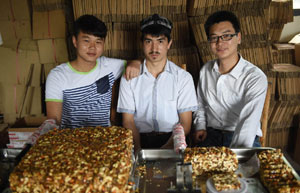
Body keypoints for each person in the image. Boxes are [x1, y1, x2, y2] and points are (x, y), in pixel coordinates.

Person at [117, 14, 198, 154]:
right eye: (149, 41)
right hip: (138, 139)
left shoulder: (183, 77)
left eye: (160, 41)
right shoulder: (129, 77)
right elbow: (128, 122)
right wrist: (138, 151)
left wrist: (164, 151)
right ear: (142, 43)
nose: (154, 48)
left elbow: (185, 124)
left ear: (169, 43)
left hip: (173, 140)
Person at [45, 14, 140, 129]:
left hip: (105, 139)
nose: (92, 47)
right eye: (86, 40)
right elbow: (54, 120)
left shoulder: (109, 66)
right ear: (75, 41)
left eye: (98, 42)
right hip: (71, 140)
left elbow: (136, 64)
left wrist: (136, 63)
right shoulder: (58, 76)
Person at [193, 10, 268, 148]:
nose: (220, 43)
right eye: (214, 37)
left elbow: (248, 123)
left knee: (247, 169)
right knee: (190, 168)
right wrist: (200, 126)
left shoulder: (254, 77)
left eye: (226, 36)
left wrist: (234, 155)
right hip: (211, 135)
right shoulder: (206, 71)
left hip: (243, 137)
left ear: (238, 37)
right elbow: (201, 104)